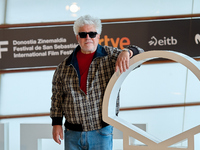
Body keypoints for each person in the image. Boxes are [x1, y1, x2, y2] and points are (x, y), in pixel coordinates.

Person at [50, 15, 144, 150]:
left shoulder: (111, 56)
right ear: (77, 38)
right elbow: (56, 98)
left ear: (98, 36)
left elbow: (141, 55)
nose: (88, 37)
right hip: (72, 134)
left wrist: (127, 52)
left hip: (101, 131)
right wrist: (56, 123)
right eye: (83, 34)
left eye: (92, 34)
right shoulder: (64, 67)